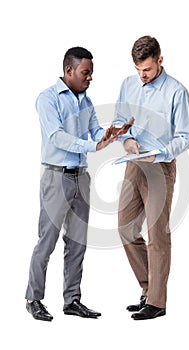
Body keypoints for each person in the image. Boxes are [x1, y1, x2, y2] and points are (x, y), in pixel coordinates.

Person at [25, 46, 114, 321]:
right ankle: (34, 299)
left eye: (91, 74)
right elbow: (57, 137)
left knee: (77, 242)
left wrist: (111, 134)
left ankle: (72, 300)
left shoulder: (85, 101)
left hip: (81, 178)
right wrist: (92, 144)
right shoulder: (48, 99)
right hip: (56, 177)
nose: (90, 79)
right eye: (86, 73)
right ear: (69, 71)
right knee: (47, 241)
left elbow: (95, 131)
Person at [113, 35, 189, 320]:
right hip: (133, 163)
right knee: (125, 228)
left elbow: (186, 137)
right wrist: (126, 140)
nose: (142, 76)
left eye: (146, 70)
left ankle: (157, 303)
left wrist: (159, 153)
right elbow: (117, 121)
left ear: (160, 60)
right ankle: (149, 289)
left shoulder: (176, 92)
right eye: (137, 70)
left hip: (160, 166)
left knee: (157, 234)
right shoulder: (128, 84)